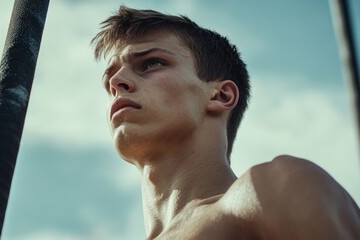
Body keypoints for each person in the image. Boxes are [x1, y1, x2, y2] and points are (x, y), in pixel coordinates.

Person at [91, 6, 360, 240]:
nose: (117, 83)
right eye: (109, 80)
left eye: (151, 63)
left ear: (220, 95)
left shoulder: (268, 191)